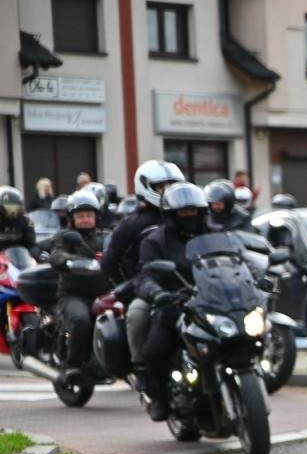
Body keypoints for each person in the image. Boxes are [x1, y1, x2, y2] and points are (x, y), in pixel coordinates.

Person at [135, 182, 214, 421]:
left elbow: (237, 259)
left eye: (193, 211)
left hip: (215, 303)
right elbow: (145, 274)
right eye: (183, 212)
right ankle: (159, 397)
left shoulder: (216, 234)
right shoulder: (155, 241)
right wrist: (157, 293)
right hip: (176, 306)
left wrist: (257, 277)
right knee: (155, 350)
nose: (189, 216)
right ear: (171, 214)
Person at [105, 160, 185, 381]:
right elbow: (110, 261)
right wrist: (127, 286)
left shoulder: (187, 216)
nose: (167, 191)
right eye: (161, 186)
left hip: (186, 283)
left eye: (172, 185)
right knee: (137, 316)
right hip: (146, 286)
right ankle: (141, 369)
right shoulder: (131, 224)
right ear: (145, 187)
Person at [46, 189, 109, 369]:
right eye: (80, 216)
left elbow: (117, 252)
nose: (85, 219)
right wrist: (70, 261)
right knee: (81, 320)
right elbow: (57, 253)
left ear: (97, 217)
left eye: (89, 215)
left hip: (104, 293)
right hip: (73, 295)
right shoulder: (66, 237)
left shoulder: (104, 237)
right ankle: (73, 366)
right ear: (72, 218)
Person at [0, 187, 38, 251]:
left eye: (16, 208)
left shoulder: (25, 222)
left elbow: (31, 244)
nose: (13, 212)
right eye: (9, 208)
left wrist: (35, 251)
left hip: (18, 258)